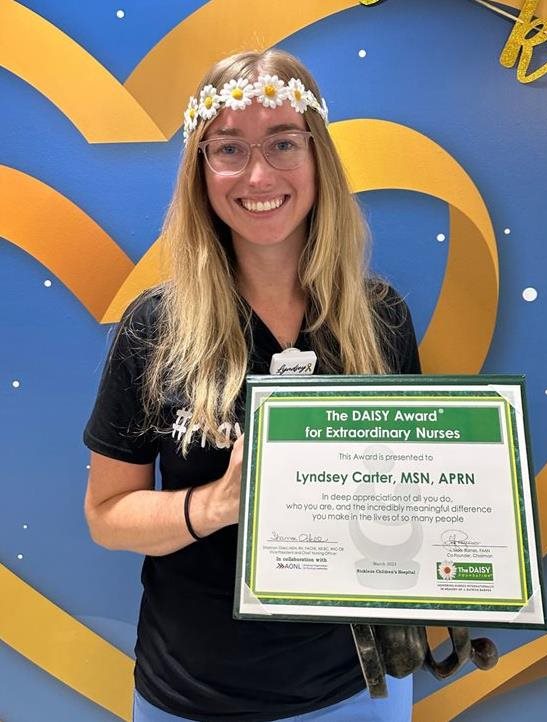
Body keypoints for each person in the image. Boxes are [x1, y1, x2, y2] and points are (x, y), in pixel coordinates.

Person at [84, 49, 421, 722]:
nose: (258, 174)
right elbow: (106, 517)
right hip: (193, 697)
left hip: (355, 689)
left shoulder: (378, 316)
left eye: (283, 143)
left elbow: (410, 492)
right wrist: (214, 504)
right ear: (200, 171)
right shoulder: (155, 328)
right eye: (228, 148)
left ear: (317, 156)